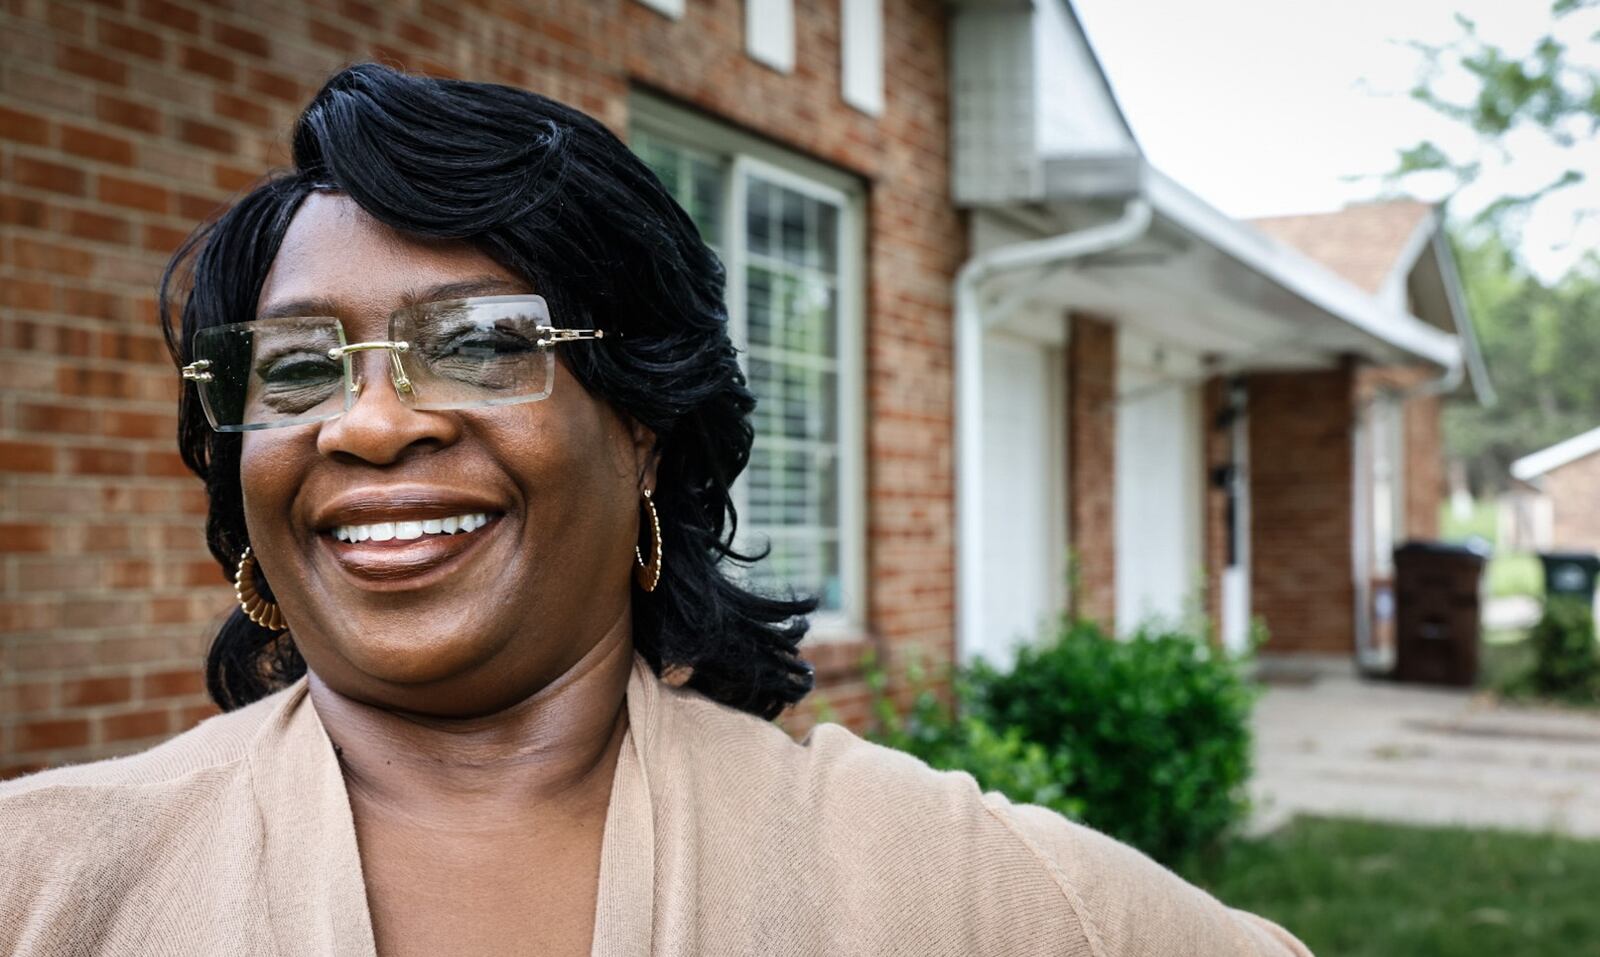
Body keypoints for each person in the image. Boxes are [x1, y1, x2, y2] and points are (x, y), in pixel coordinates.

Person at [0, 64, 1312, 956]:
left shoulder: (940, 886)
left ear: (644, 425)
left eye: (474, 342)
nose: (372, 420)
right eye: (295, 368)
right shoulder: (46, 884)